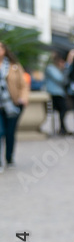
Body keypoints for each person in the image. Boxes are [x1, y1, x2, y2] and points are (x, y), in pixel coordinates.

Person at [0, 41, 29, 171]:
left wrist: (24, 98)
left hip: (12, 105)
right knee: (0, 132)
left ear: (5, 50)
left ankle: (9, 158)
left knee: (10, 133)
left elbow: (23, 85)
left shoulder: (14, 66)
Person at [44, 51, 70, 135]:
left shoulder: (57, 69)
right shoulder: (50, 68)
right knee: (61, 110)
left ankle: (62, 127)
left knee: (63, 110)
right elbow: (60, 79)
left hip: (59, 93)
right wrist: (65, 69)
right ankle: (61, 128)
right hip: (54, 93)